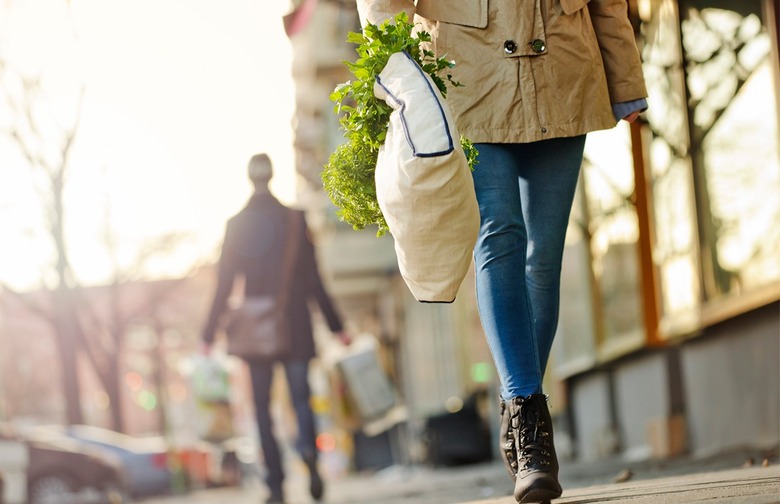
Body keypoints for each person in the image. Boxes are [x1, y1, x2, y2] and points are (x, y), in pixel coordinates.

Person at [356, 1, 647, 502]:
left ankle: (518, 407)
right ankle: (529, 425)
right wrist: (401, 83)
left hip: (564, 71)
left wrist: (625, 78)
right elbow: (383, 6)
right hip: (467, 81)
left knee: (544, 257)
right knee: (499, 236)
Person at [202, 153, 351, 504]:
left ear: (249, 178)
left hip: (255, 329)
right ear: (272, 176)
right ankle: (309, 454)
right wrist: (337, 327)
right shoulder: (295, 220)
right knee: (301, 400)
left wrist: (207, 335)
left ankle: (276, 484)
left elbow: (224, 284)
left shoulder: (236, 224)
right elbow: (314, 280)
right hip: (295, 322)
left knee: (262, 408)